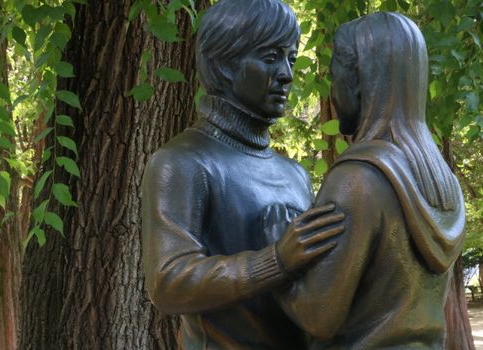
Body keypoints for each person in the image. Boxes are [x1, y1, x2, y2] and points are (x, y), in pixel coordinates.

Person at [141, 0, 344, 348]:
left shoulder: (295, 174)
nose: (287, 74)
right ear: (224, 64)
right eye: (270, 58)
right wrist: (276, 261)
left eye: (290, 59)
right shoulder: (182, 163)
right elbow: (168, 283)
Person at [267, 12, 466, 349]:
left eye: (335, 76)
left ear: (361, 80)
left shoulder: (358, 180)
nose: (331, 91)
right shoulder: (443, 182)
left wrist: (275, 251)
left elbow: (318, 316)